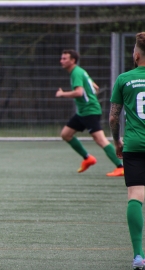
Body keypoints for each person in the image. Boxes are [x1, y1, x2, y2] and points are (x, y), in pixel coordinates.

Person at [56, 49, 124, 177]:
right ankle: (88, 158)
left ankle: (121, 166)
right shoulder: (79, 71)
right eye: (62, 58)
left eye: (65, 58)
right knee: (66, 134)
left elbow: (79, 92)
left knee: (101, 140)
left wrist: (62, 94)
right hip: (83, 112)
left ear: (73, 60)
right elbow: (95, 87)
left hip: (89, 111)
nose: (61, 61)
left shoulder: (76, 72)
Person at [109, 32, 145, 270]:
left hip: (134, 145)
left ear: (137, 54)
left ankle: (138, 257)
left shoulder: (124, 79)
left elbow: (113, 118)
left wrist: (117, 142)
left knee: (135, 196)